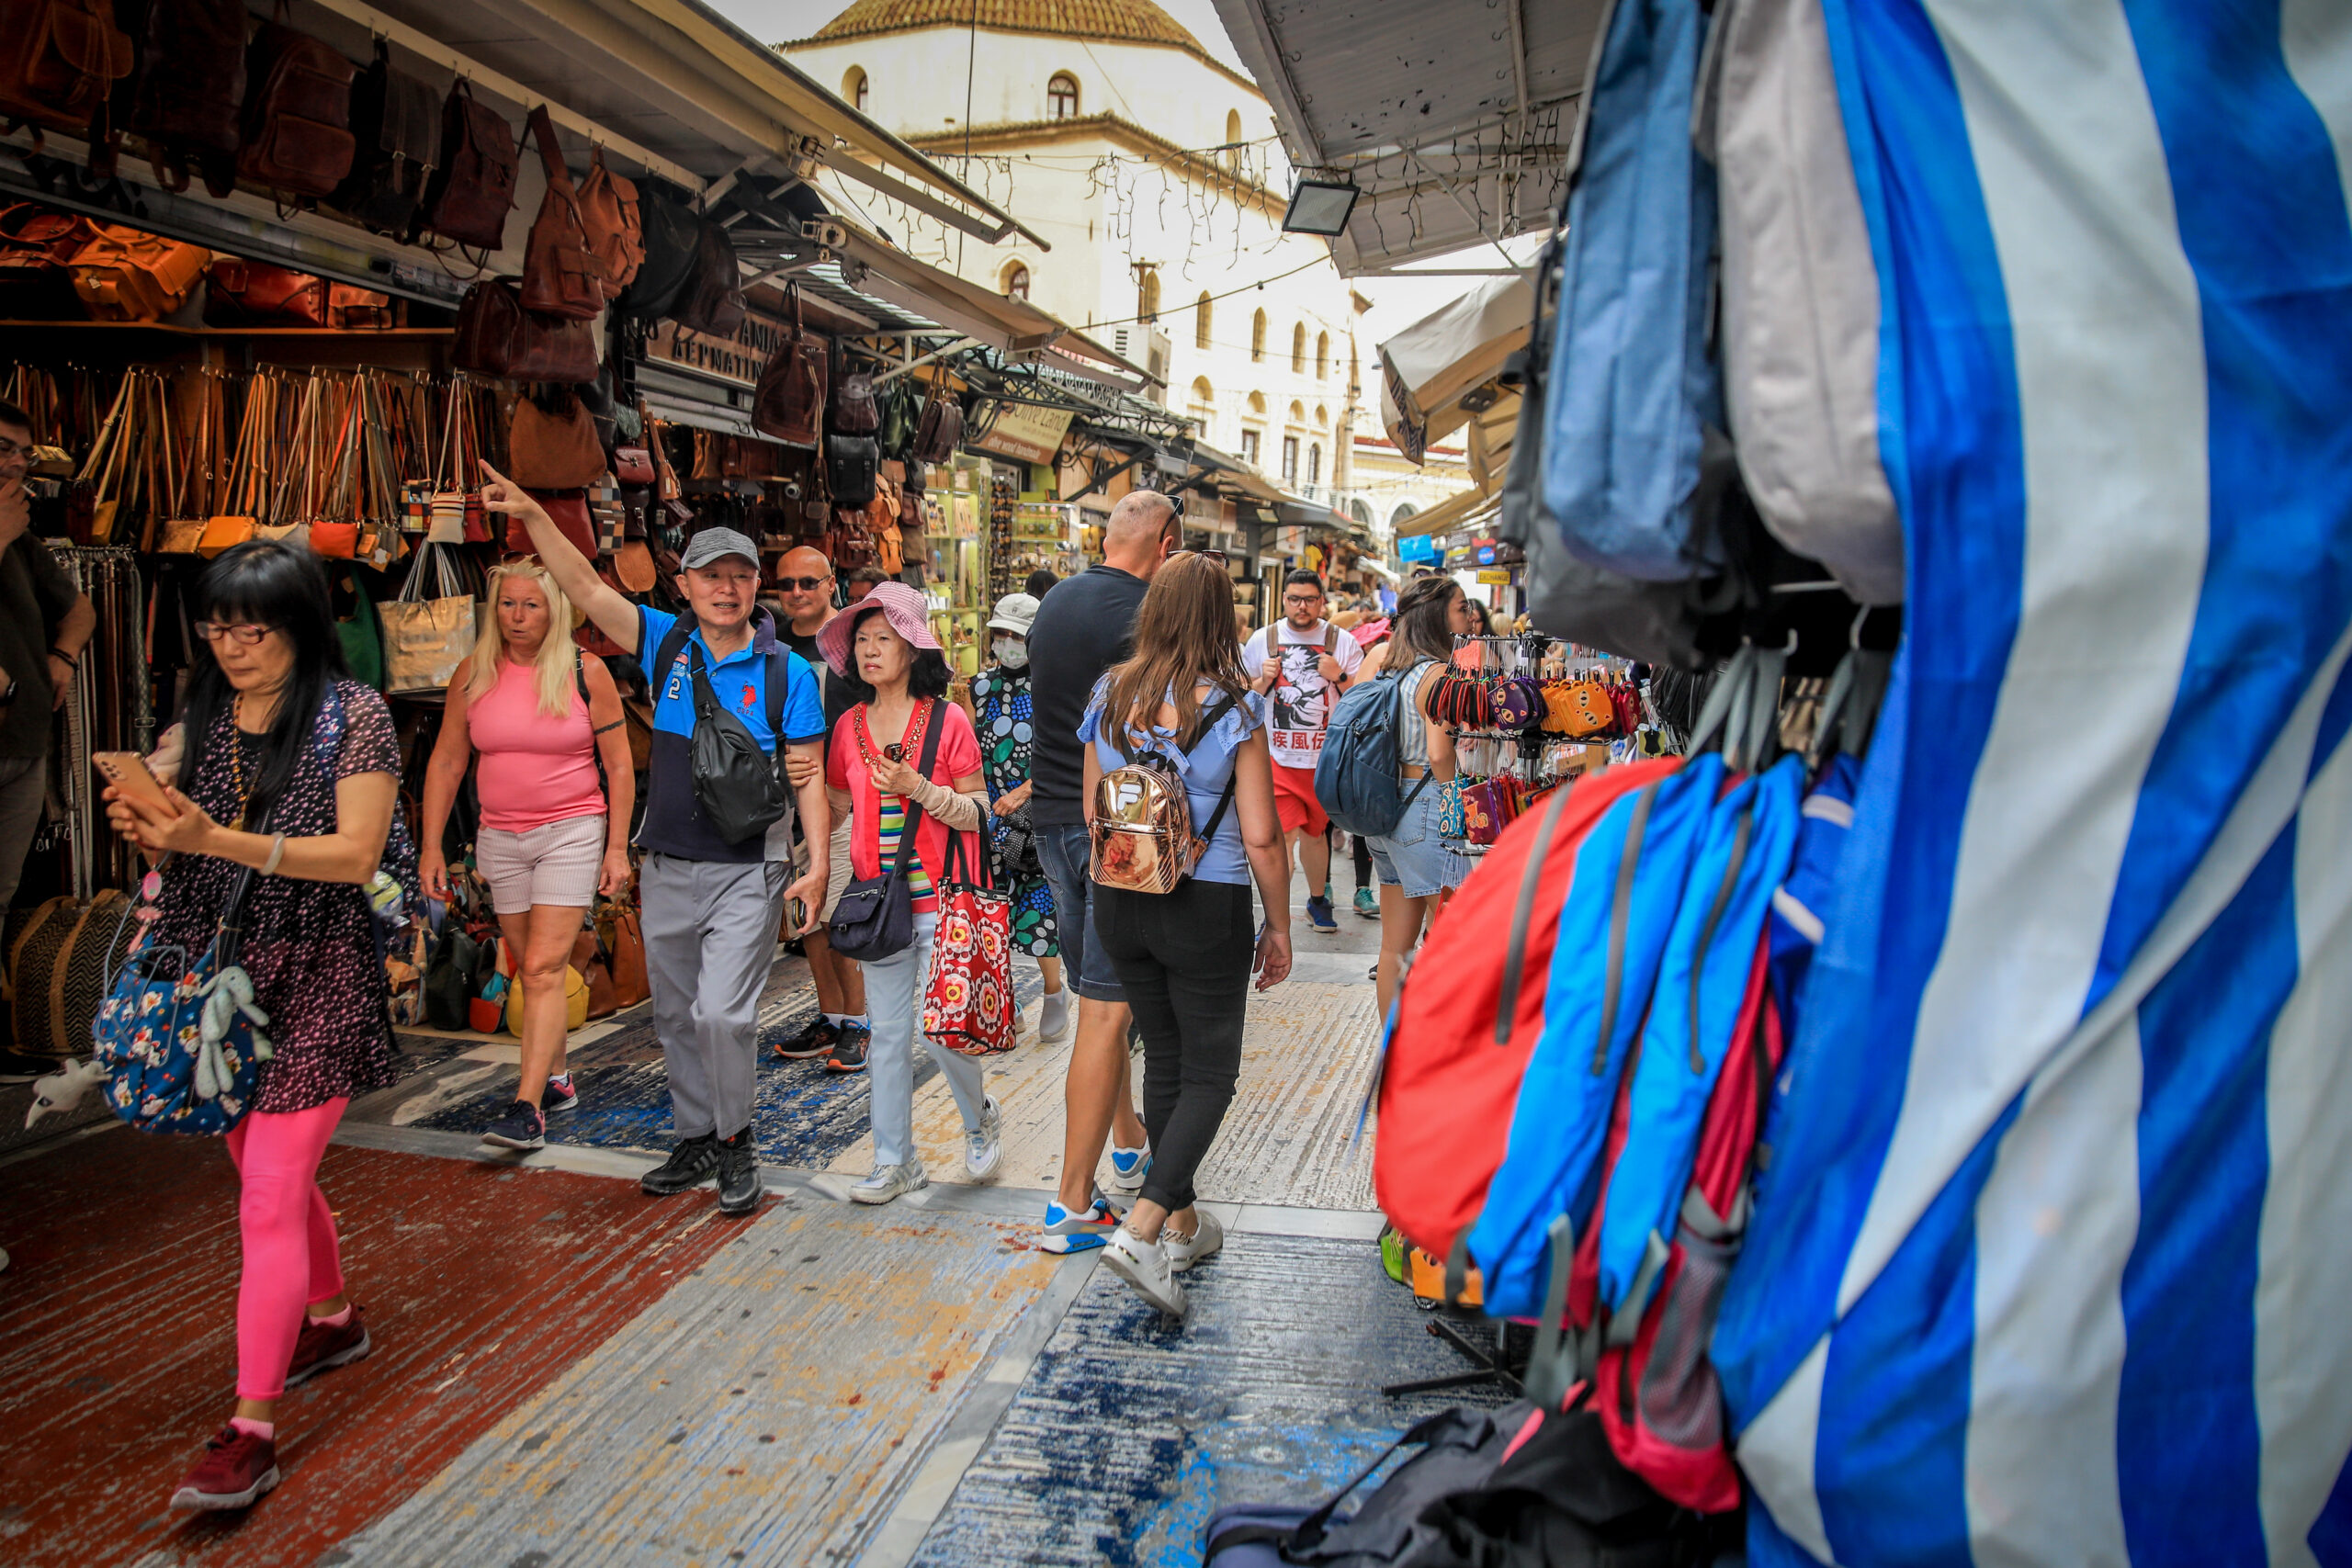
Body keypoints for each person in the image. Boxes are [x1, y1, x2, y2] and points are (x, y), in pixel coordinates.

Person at [101, 541, 402, 1510]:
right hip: (218, 969)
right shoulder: (203, 713)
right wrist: (144, 812)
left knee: (268, 1193)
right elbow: (172, 803)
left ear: (300, 625)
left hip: (316, 967)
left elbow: (356, 855)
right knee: (262, 1169)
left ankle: (250, 1431)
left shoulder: (353, 715)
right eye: (216, 625)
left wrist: (210, 838)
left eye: (252, 626)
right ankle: (333, 1317)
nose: (231, 644)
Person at [481, 468, 830, 1221]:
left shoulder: (786, 673)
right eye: (712, 576)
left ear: (753, 585)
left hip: (749, 867)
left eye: (741, 577)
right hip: (667, 864)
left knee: (722, 1016)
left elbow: (809, 776)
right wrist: (540, 514)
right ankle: (696, 1134)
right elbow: (580, 581)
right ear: (687, 583)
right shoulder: (663, 642)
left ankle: (737, 1140)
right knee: (673, 1015)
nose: (727, 590)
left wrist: (819, 864)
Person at [1080, 553, 1293, 1317]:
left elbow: (1091, 811)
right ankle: (1141, 1229)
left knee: (1164, 1057)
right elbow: (1264, 837)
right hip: (1208, 905)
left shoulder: (1109, 693)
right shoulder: (1235, 708)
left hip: (1121, 898)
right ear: (1221, 619)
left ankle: (1182, 1225)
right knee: (1211, 1072)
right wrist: (1279, 924)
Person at [417, 559, 633, 1150]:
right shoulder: (473, 674)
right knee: (530, 966)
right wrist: (430, 846)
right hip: (500, 837)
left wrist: (616, 847)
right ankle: (558, 1076)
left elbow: (617, 766)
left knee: (540, 970)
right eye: (507, 605)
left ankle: (526, 1108)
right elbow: (447, 762)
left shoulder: (586, 672)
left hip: (572, 829)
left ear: (556, 610)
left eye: (531, 605)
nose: (517, 617)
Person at [1027, 490, 1178, 1253]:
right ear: (1167, 541)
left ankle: (1125, 1138)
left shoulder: (1055, 600)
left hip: (1055, 820)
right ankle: (1071, 1202)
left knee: (1097, 993)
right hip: (1114, 829)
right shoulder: (1147, 615)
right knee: (1108, 1012)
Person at [816, 582, 1001, 1202]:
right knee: (889, 1036)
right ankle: (895, 1161)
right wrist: (801, 787)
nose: (869, 651)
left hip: (946, 901)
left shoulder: (949, 721)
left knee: (942, 1029)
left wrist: (918, 787)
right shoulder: (847, 727)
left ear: (911, 648)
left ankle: (979, 1118)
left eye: (882, 640)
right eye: (861, 641)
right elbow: (840, 807)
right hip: (879, 904)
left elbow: (980, 810)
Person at [0, 399, 96, 1082]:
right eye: (4, 448)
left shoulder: (24, 542)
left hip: (24, 739)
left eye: (24, 454)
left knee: (1, 893)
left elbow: (81, 608)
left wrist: (60, 659)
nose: (16, 465)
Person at [766, 544, 867, 1066]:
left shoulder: (852, 644)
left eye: (809, 582)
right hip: (788, 804)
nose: (798, 593)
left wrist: (850, 793)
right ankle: (831, 1018)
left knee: (842, 917)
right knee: (808, 919)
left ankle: (859, 1020)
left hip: (848, 802)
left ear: (831, 583)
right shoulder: (772, 646)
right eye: (787, 585)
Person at [957, 592, 1069, 1043]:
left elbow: (1064, 750)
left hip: (1038, 811)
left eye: (1016, 635)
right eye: (1000, 634)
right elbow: (967, 750)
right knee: (992, 909)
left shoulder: (1054, 685)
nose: (1007, 643)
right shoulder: (979, 687)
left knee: (1039, 906)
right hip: (990, 816)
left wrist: (1025, 792)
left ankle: (1054, 990)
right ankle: (1006, 1000)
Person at [1365, 576, 1476, 1019]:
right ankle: (1437, 1052)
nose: (1468, 617)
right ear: (1437, 616)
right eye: (1461, 608)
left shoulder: (1381, 660)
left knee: (1394, 947)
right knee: (1455, 939)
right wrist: (1455, 802)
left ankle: (1394, 1055)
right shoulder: (1437, 672)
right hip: (1425, 806)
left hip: (1380, 807)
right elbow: (1438, 751)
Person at [1240, 570, 1364, 936]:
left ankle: (1316, 899)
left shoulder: (1342, 642)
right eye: (1295, 598)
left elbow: (1364, 699)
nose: (1302, 606)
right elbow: (1239, 699)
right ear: (1284, 600)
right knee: (1284, 837)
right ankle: (1276, 911)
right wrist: (1262, 680)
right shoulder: (1264, 640)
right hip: (1276, 758)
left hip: (1325, 760)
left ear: (1321, 601)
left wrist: (1340, 677)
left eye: (1310, 599)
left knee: (1315, 834)